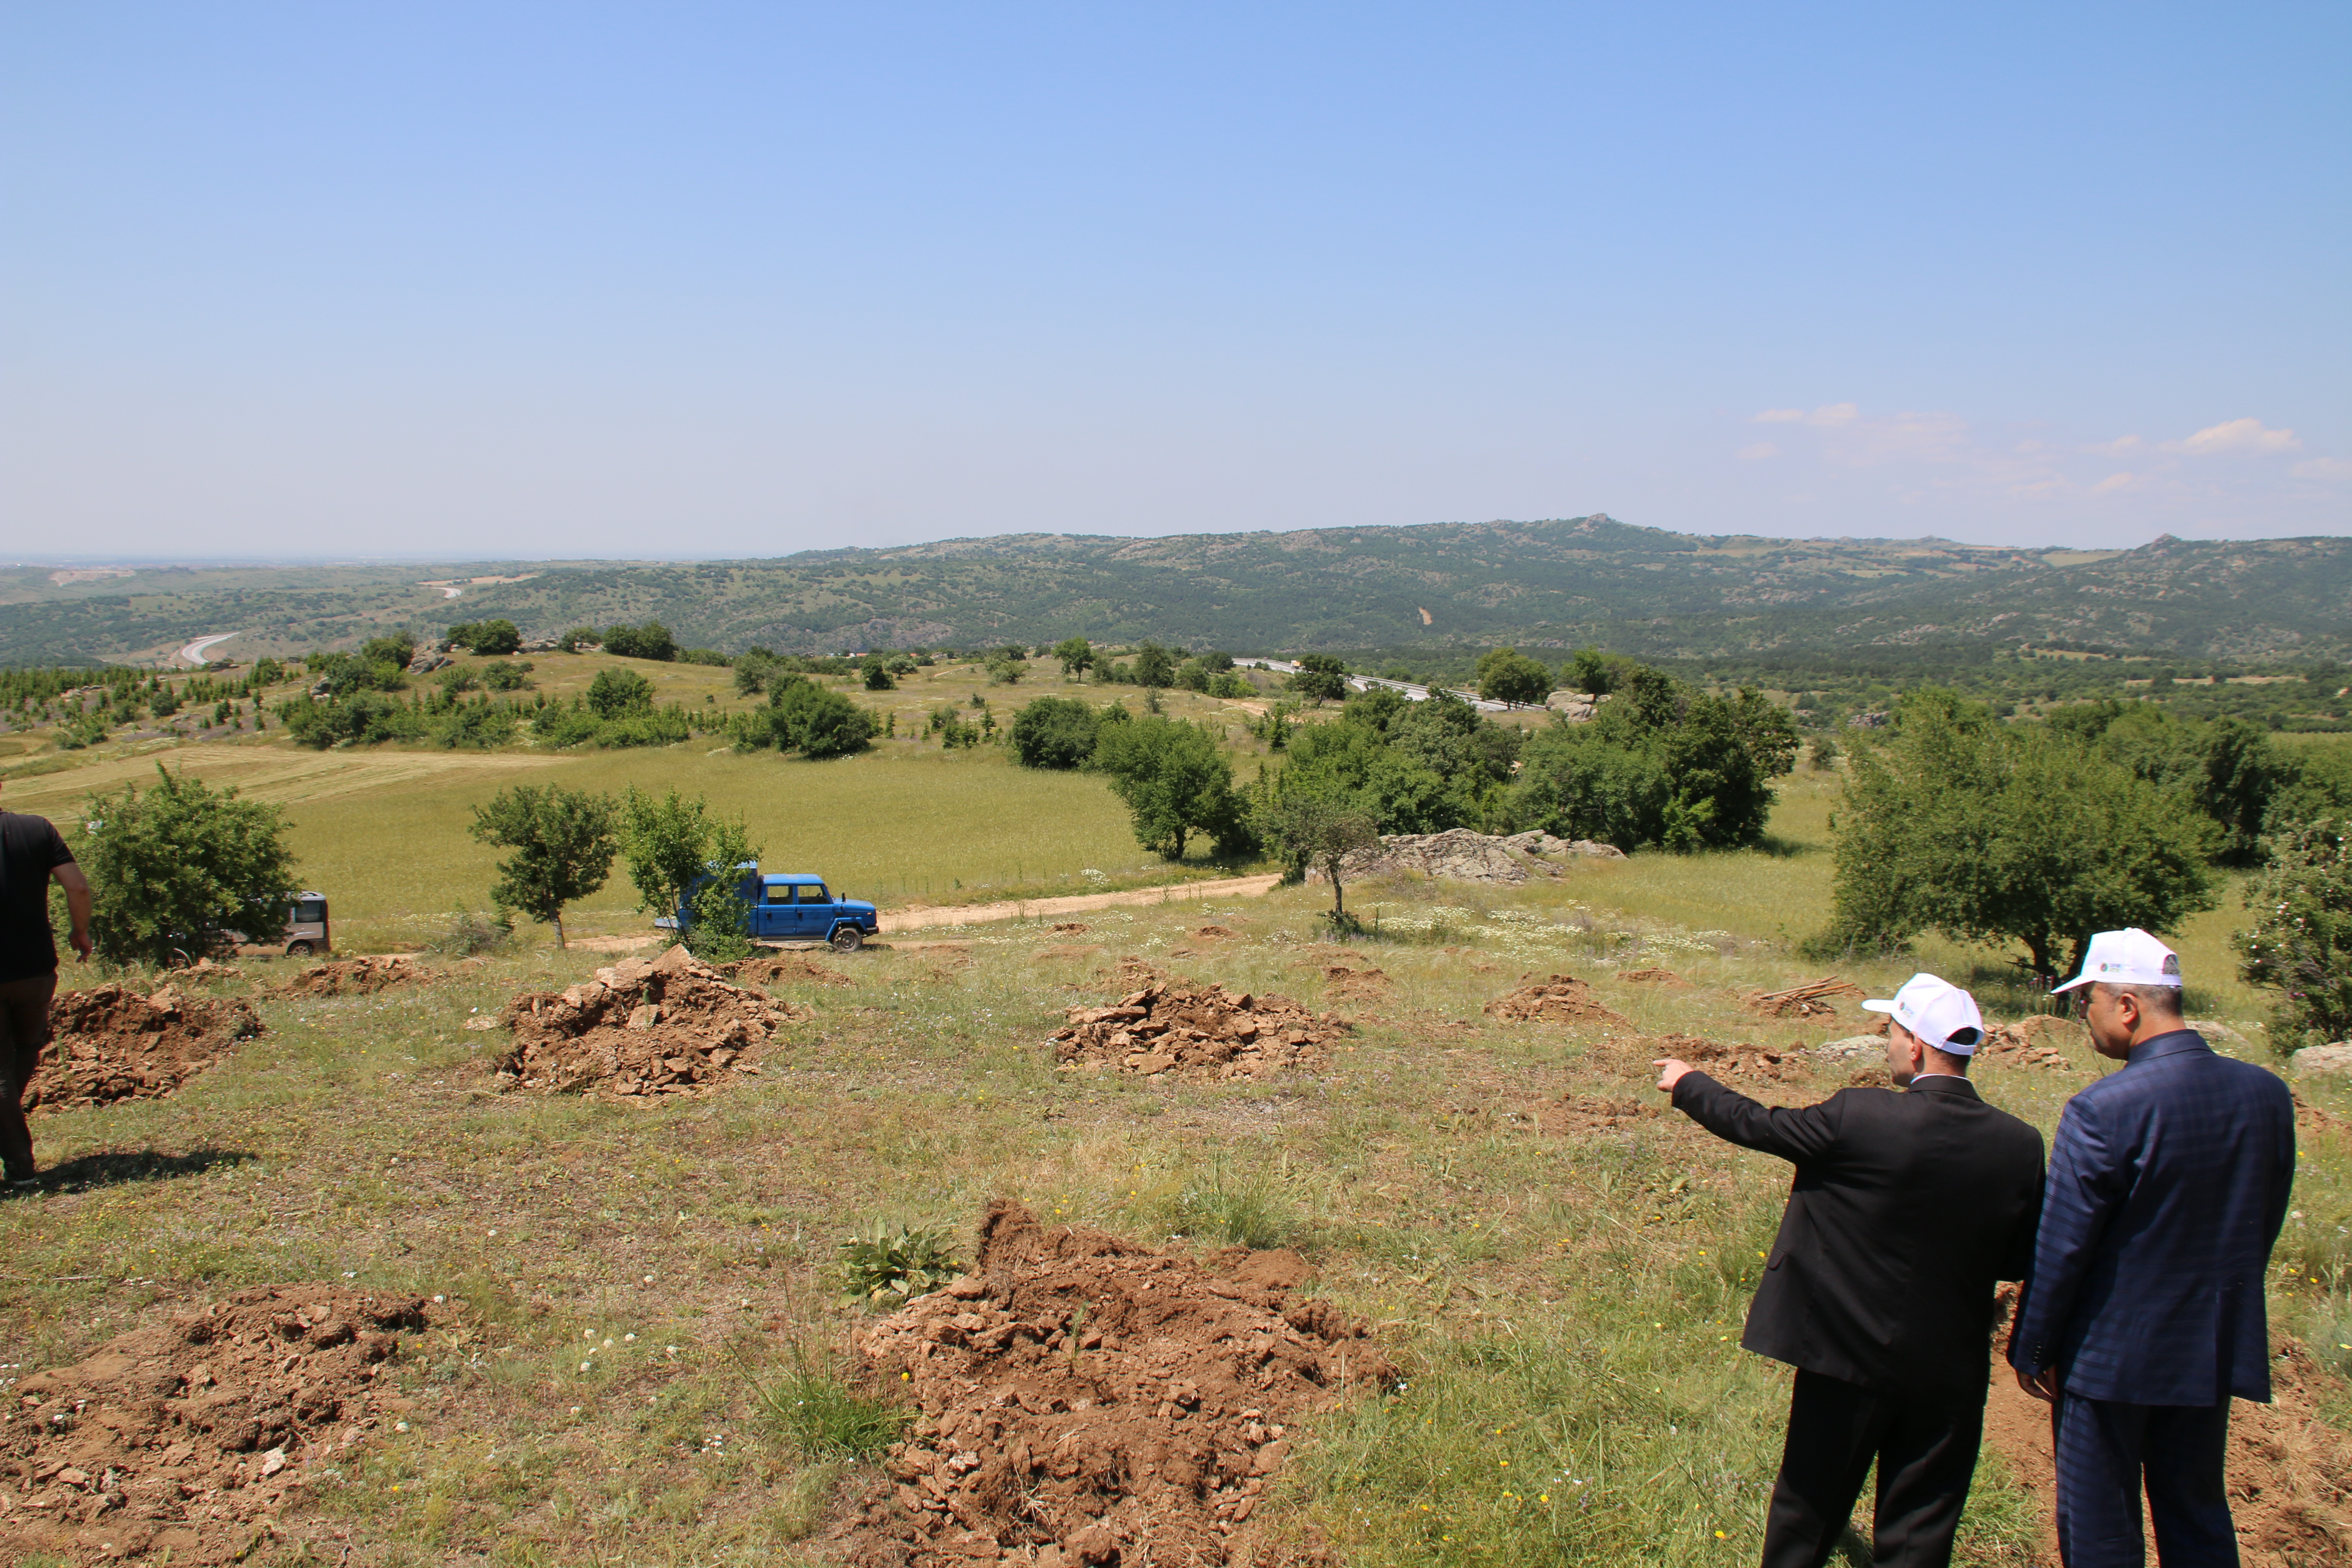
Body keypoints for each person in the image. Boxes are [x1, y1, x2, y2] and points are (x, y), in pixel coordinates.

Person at [1655, 973, 2044, 1568]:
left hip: (1845, 1358)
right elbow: (2018, 1258)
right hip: (1950, 1371)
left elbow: (1757, 1124)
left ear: (1915, 1045)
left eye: (1891, 1030)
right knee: (1920, 1531)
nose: (1887, 1042)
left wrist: (1689, 1082)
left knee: (1807, 1512)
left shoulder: (1859, 1116)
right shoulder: (2019, 1144)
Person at [2009, 928, 2295, 1568]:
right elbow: (2261, 1222)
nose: (2085, 1018)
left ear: (2128, 1007)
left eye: (2089, 1003)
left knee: (2101, 1528)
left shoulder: (2103, 1109)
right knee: (2197, 1517)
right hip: (2208, 1352)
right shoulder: (2266, 1095)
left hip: (2108, 1362)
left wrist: (2034, 1350)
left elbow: (2064, 1250)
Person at [1, 778, 92, 1191]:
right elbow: (77, 885)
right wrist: (81, 931)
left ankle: (21, 1171)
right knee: (23, 1051)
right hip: (37, 969)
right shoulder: (37, 829)